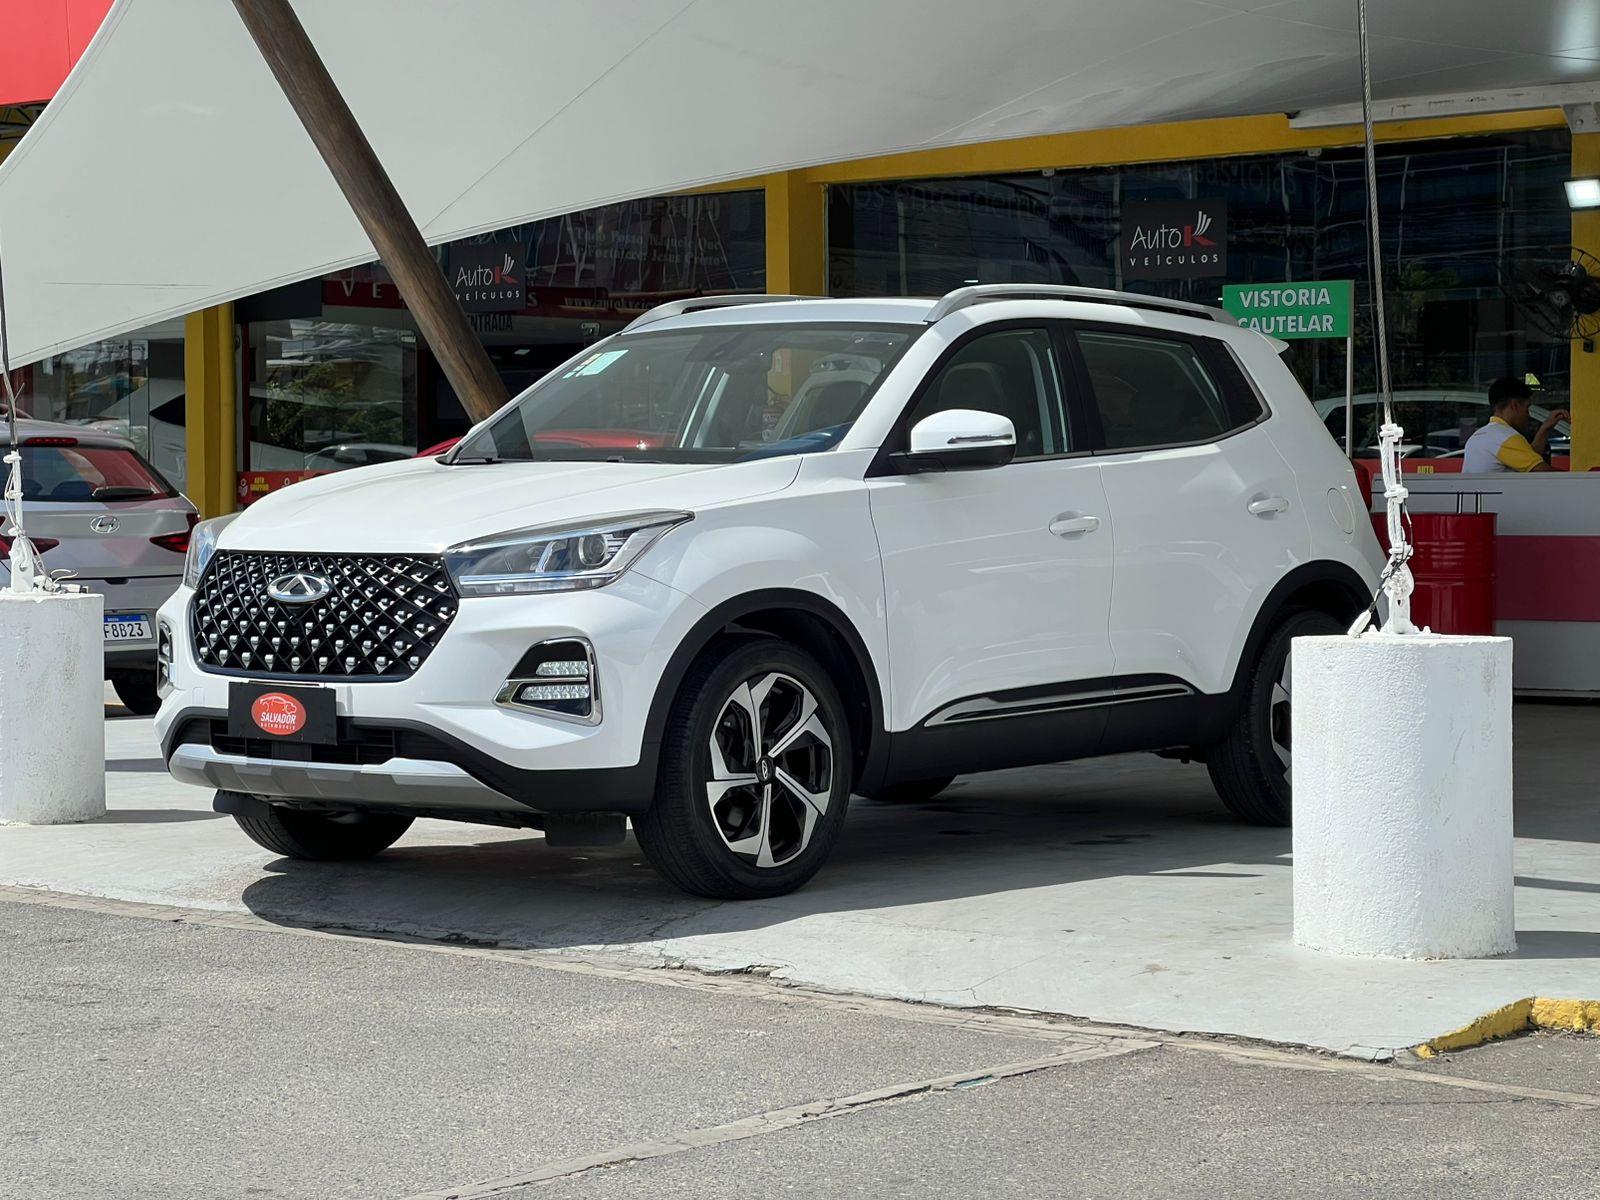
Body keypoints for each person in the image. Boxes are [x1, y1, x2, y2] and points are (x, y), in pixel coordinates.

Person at [1461, 377, 1568, 473]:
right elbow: (1543, 473)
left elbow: (1528, 456)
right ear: (1515, 405)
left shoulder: (1477, 437)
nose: (1528, 414)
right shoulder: (1506, 437)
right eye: (1527, 407)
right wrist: (1577, 478)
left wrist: (1545, 428)